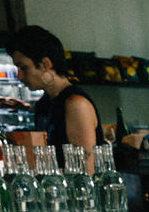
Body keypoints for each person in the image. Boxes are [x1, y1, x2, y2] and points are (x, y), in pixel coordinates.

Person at [6, 26, 104, 163]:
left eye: (23, 67)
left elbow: (86, 171)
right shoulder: (43, 104)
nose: (19, 75)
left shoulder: (75, 103)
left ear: (45, 64)